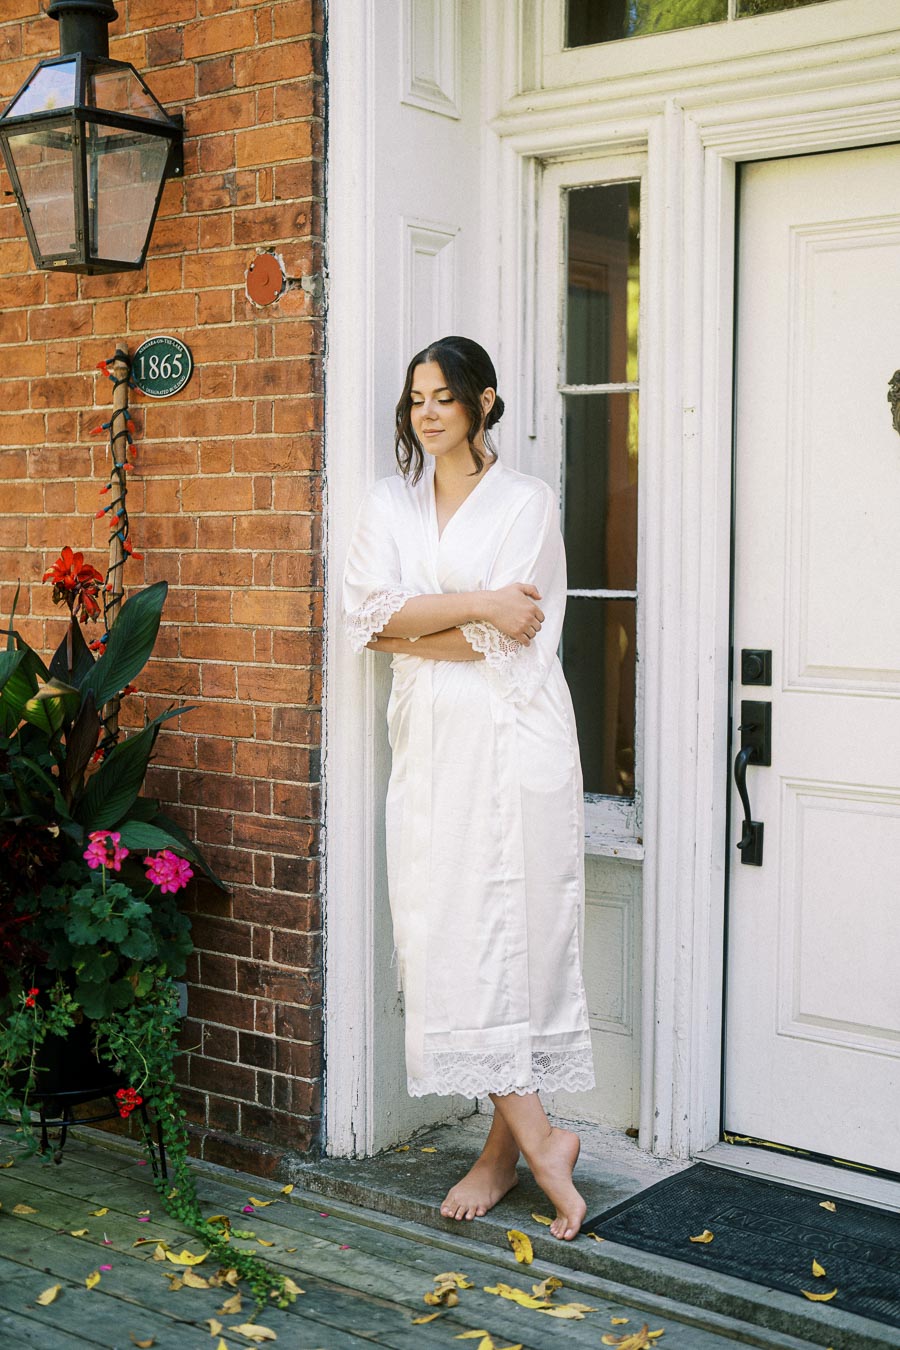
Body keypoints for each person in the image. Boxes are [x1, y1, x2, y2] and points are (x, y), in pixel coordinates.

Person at [342, 336, 595, 1240]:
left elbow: (514, 635)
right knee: (446, 929)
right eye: (417, 398)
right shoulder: (389, 503)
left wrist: (446, 621)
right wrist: (479, 603)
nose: (429, 412)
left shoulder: (527, 501)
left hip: (516, 736)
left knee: (515, 939)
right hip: (432, 740)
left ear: (485, 402)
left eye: (446, 396)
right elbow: (365, 616)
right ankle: (542, 1140)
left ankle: (511, 1153)